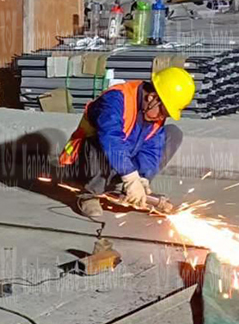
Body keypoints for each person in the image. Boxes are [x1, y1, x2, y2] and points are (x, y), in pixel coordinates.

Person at [58, 66, 195, 220]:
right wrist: (130, 178)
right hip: (87, 162)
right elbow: (111, 139)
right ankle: (89, 194)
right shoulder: (116, 99)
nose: (162, 117)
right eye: (164, 111)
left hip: (121, 163)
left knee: (172, 133)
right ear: (152, 97)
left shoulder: (154, 111)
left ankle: (130, 188)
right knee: (104, 140)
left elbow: (152, 148)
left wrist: (142, 177)